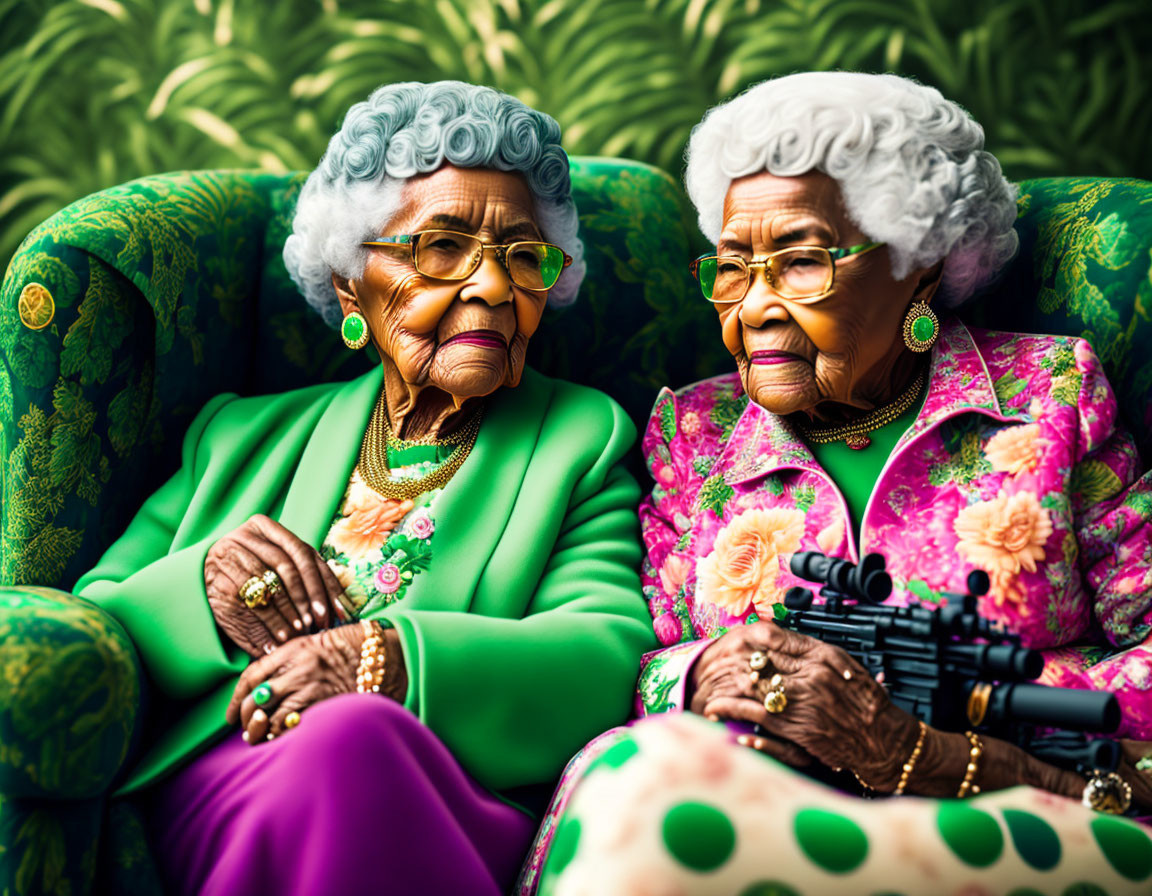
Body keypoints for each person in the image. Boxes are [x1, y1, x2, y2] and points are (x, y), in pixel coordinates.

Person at [525, 72, 1152, 895]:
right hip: (747, 810)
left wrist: (925, 725)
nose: (753, 308)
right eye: (733, 268)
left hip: (1001, 813)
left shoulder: (1050, 396)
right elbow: (643, 661)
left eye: (798, 262)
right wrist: (704, 673)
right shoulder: (695, 431)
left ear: (919, 267)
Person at [74, 80, 654, 896]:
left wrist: (386, 663)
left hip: (445, 798)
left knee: (352, 741)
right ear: (352, 286)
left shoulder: (578, 440)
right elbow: (87, 615)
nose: (492, 287)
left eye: (521, 257)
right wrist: (201, 590)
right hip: (229, 781)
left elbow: (607, 650)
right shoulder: (239, 436)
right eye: (442, 248)